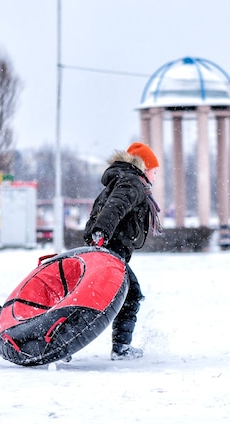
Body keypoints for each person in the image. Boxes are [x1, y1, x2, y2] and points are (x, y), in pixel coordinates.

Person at [83, 142, 162, 360]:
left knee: (105, 296)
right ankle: (121, 348)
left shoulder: (122, 181)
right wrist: (101, 235)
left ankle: (118, 347)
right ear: (145, 168)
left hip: (105, 249)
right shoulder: (132, 184)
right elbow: (113, 208)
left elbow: (103, 209)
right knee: (131, 294)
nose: (156, 175)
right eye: (155, 170)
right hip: (109, 251)